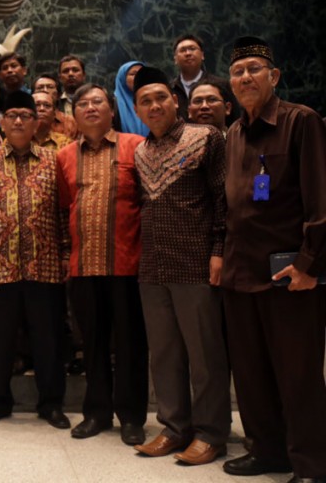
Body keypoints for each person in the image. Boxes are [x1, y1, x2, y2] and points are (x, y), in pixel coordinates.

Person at [221, 36, 326, 482]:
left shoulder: (301, 121)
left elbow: (320, 200)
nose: (245, 77)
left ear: (274, 76)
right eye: (238, 71)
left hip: (289, 275)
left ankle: (311, 464)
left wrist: (309, 264)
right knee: (251, 374)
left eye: (254, 69)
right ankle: (267, 451)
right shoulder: (233, 133)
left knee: (298, 375)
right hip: (240, 272)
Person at [131, 66, 231, 465]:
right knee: (164, 353)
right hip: (153, 267)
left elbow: (223, 199)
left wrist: (219, 250)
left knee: (205, 355)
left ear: (176, 101)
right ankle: (174, 427)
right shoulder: (140, 151)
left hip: (196, 263)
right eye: (145, 101)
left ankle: (210, 433)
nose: (154, 106)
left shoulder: (205, 137)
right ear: (137, 110)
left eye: (161, 98)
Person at [0, 91, 69, 429]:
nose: (19, 121)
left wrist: (66, 253)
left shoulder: (54, 159)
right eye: (12, 115)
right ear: (2, 123)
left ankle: (51, 404)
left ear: (37, 122)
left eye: (26, 115)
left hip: (45, 264)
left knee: (48, 339)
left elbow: (63, 212)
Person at [56, 83, 148, 445]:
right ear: (75, 114)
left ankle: (131, 417)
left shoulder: (136, 146)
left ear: (112, 110)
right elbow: (65, 206)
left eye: (98, 102)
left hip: (127, 264)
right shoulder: (65, 156)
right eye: (83, 103)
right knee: (91, 344)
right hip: (83, 266)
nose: (90, 107)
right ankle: (96, 412)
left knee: (130, 344)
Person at [170, 34, 238, 125]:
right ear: (175, 59)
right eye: (183, 50)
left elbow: (235, 118)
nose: (188, 53)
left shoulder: (221, 84)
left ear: (202, 55)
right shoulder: (169, 89)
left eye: (192, 49)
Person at [34, 73, 77, 138]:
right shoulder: (23, 120)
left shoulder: (70, 122)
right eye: (40, 88)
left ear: (59, 95)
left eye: (50, 87)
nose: (45, 90)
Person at [113, 61, 148, 136]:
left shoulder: (154, 100)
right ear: (123, 78)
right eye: (133, 74)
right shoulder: (112, 104)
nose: (139, 77)